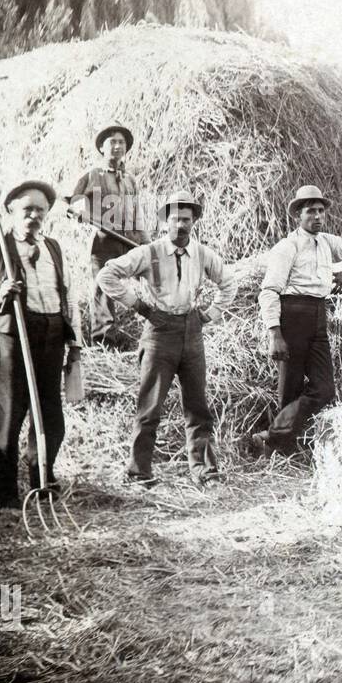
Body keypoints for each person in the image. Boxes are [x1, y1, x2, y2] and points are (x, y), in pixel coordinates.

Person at [97, 190, 239, 486]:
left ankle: (204, 471)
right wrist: (139, 306)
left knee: (197, 407)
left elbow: (229, 284)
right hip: (159, 333)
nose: (180, 226)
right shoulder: (148, 253)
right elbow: (107, 275)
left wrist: (208, 315)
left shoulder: (202, 254)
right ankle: (139, 473)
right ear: (164, 222)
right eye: (174, 220)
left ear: (194, 222)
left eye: (186, 220)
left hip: (191, 332)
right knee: (150, 407)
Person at [0, 180, 81, 510]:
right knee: (9, 415)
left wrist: (76, 341)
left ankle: (42, 481)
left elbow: (68, 295)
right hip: (12, 337)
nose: (34, 215)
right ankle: (3, 498)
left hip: (52, 335)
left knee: (51, 419)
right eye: (27, 209)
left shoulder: (53, 248)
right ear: (12, 212)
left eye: (40, 210)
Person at [253, 185, 342, 455]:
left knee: (325, 389)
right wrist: (275, 333)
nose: (317, 216)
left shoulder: (327, 242)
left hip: (318, 315)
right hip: (292, 314)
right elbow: (269, 291)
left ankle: (270, 436)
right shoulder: (287, 247)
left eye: (320, 211)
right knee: (289, 387)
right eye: (310, 211)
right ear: (297, 216)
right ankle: (281, 449)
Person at [68, 123, 154, 347]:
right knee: (103, 287)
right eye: (112, 142)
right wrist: (82, 212)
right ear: (102, 148)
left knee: (154, 276)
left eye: (121, 143)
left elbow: (137, 214)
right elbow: (75, 200)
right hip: (104, 241)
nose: (117, 146)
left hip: (129, 240)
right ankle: (104, 340)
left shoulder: (130, 180)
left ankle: (160, 323)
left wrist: (146, 244)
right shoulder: (93, 175)